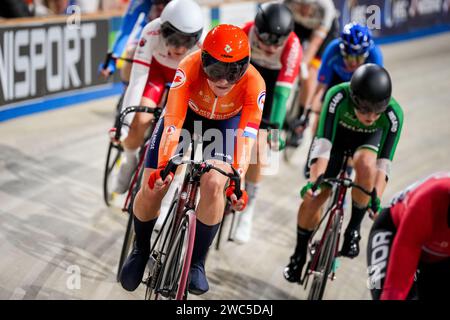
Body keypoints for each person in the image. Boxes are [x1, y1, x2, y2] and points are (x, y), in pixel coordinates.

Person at [119, 24, 266, 295]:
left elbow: (247, 138)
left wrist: (237, 180)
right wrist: (164, 166)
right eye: (216, 71)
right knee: (154, 186)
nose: (224, 80)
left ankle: (197, 262)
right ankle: (140, 248)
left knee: (213, 184)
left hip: (224, 126)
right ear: (203, 60)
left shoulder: (255, 83)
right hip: (185, 118)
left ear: (245, 66)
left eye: (233, 72)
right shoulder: (188, 66)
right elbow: (173, 121)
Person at [283, 64, 404, 283]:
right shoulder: (337, 95)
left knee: (367, 165)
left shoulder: (394, 114)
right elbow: (323, 145)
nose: (371, 116)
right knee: (315, 198)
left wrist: (375, 198)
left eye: (378, 110)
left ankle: (353, 229)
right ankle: (299, 255)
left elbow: (383, 164)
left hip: (366, 144)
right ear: (354, 99)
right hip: (334, 142)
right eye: (365, 109)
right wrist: (315, 182)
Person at [112, 0, 204, 194]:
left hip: (185, 79)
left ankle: (170, 194)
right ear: (163, 31)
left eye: (186, 42)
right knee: (140, 119)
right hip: (156, 73)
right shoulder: (151, 31)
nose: (179, 49)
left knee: (181, 137)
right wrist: (126, 124)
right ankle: (129, 159)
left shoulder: (203, 45)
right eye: (174, 40)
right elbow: (137, 81)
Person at [232, 1, 302, 243]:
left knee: (260, 147)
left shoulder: (292, 46)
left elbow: (282, 95)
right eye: (266, 40)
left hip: (273, 87)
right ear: (257, 31)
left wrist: (275, 129)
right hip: (246, 75)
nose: (272, 47)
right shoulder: (245, 31)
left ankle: (248, 211)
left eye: (277, 42)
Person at [301, 22, 384, 177]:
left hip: (361, 86)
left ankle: (348, 166)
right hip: (337, 82)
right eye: (349, 57)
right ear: (342, 51)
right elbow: (321, 86)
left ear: (366, 54)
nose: (353, 62)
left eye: (358, 57)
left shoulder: (375, 56)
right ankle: (313, 153)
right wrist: (310, 110)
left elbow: (374, 92)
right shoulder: (332, 50)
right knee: (320, 117)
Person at [367, 172, 450, 300]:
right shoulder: (428, 201)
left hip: (436, 256)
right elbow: (395, 287)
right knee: (382, 291)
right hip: (392, 230)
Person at [283, 0, 338, 141]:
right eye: (300, 5)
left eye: (308, 6)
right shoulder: (286, 3)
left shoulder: (326, 7)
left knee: (310, 72)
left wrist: (303, 64)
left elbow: (314, 44)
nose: (304, 10)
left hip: (322, 32)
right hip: (299, 26)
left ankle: (302, 118)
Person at [100, 0, 171, 82]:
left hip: (174, 40)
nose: (160, 7)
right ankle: (127, 89)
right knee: (132, 54)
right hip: (149, 37)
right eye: (157, 4)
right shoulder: (140, 2)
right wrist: (111, 63)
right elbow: (125, 31)